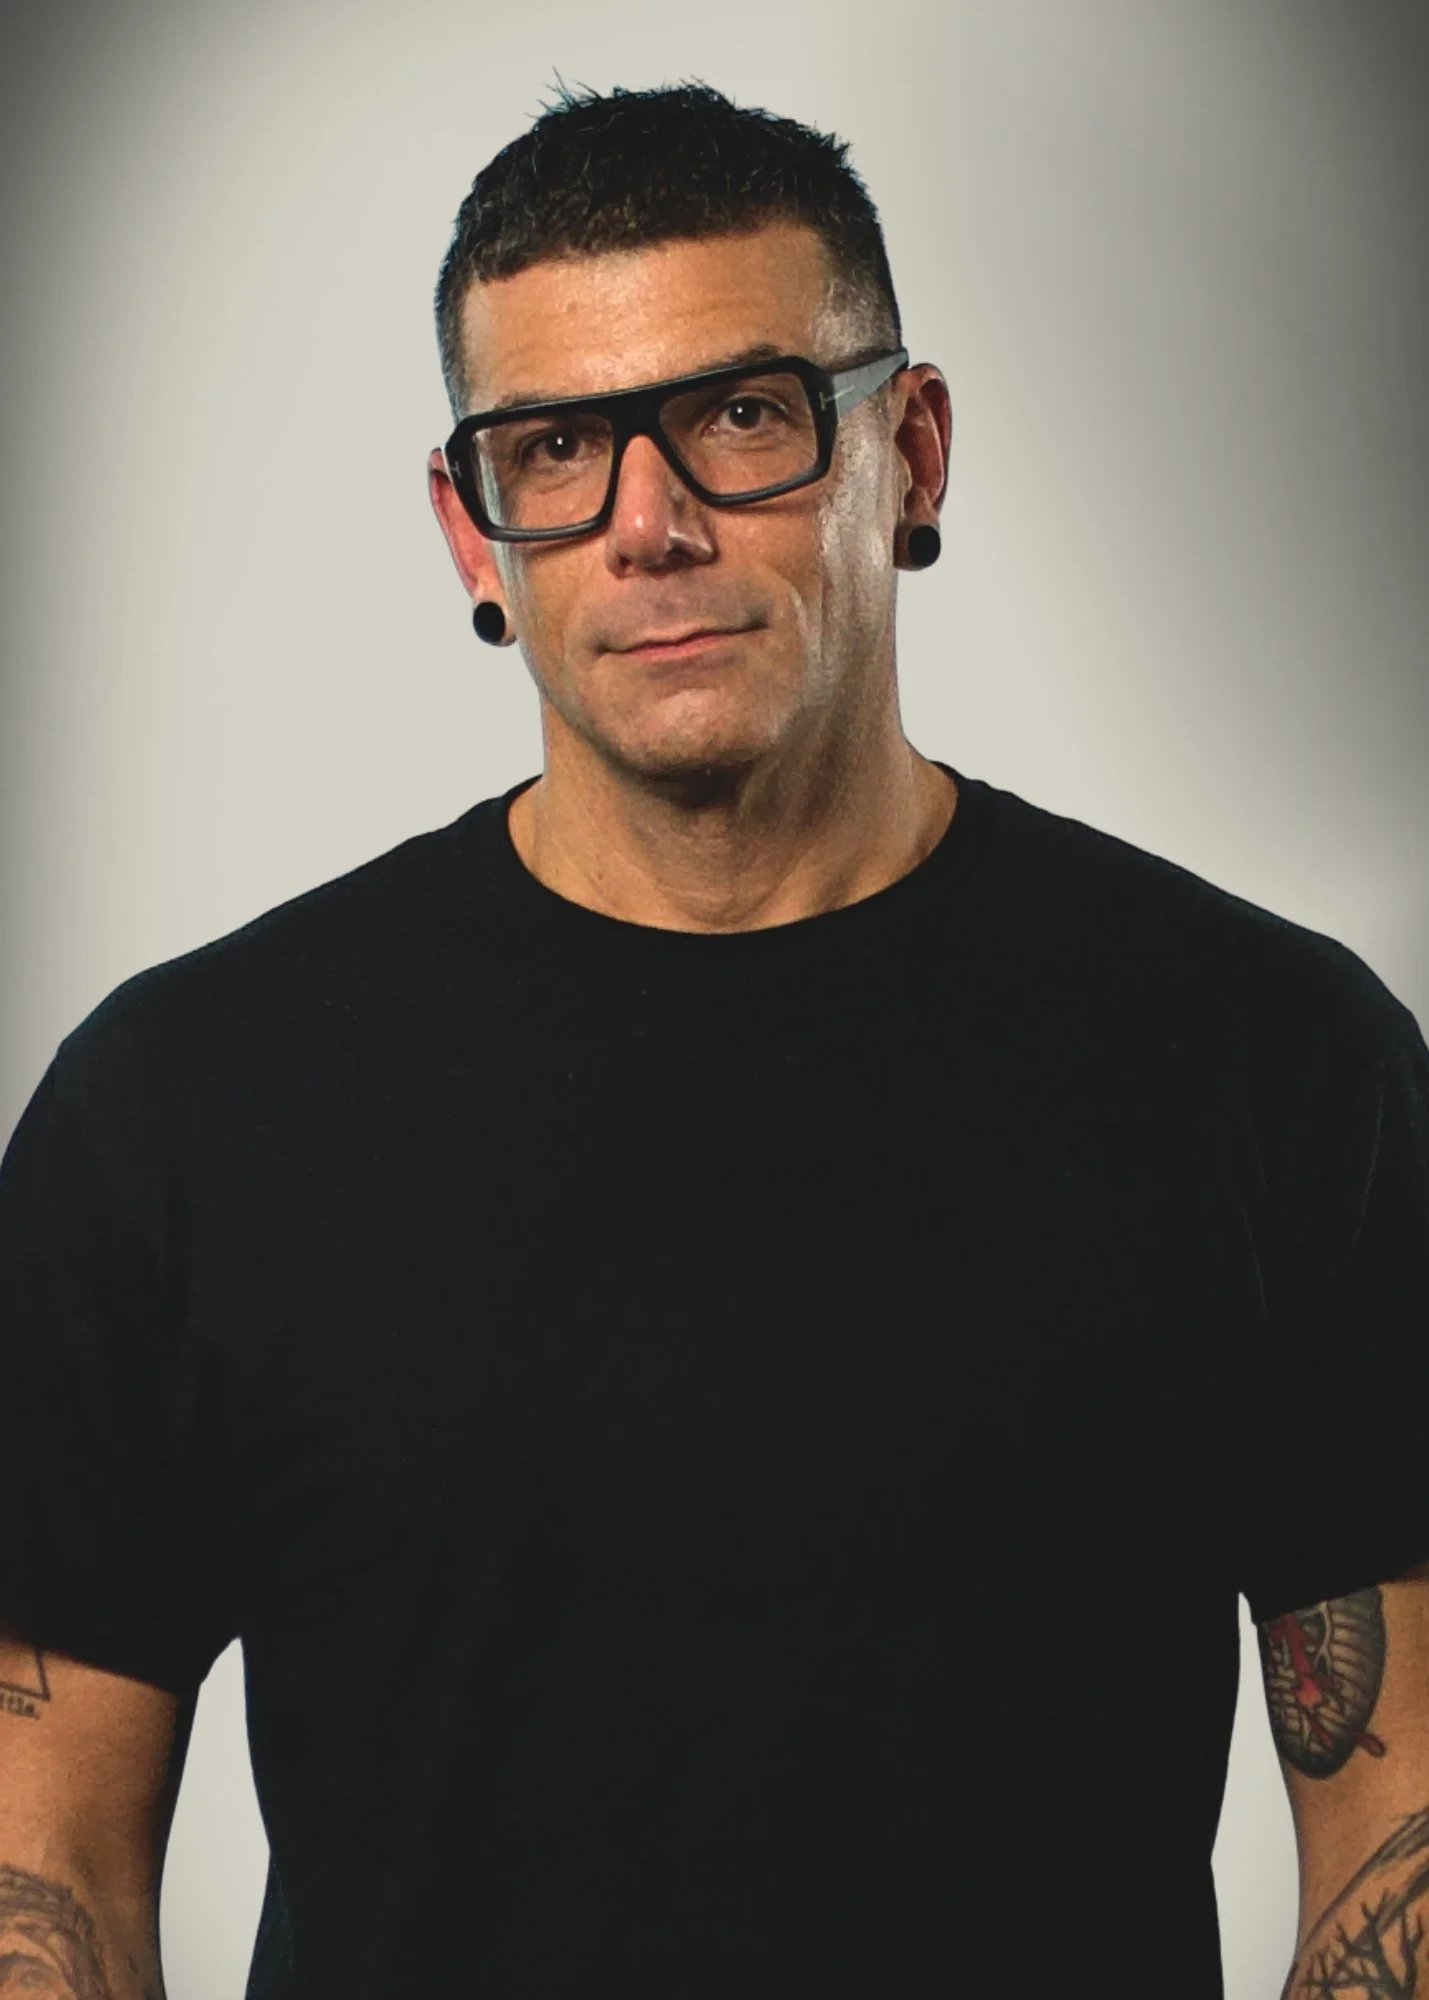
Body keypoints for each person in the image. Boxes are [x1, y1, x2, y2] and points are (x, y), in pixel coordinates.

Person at [1, 80, 1427, 2000]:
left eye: (743, 416)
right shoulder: (174, 1112)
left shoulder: (1278, 1065)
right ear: (470, 526)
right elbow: (45, 1867)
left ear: (906, 449)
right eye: (556, 447)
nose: (646, 525)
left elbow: (1394, 1844)